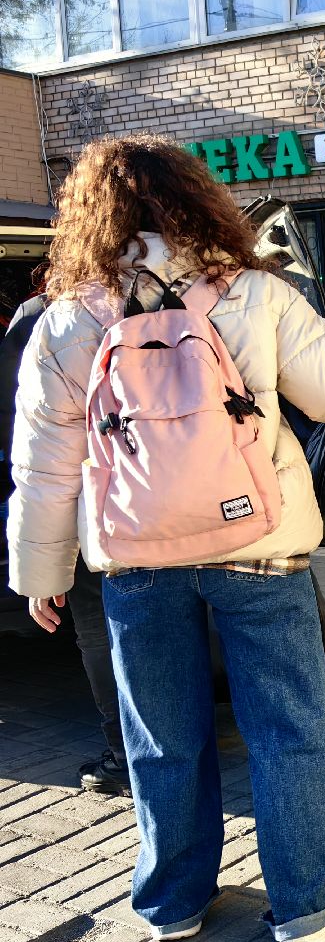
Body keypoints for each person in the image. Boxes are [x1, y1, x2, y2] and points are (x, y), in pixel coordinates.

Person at [7, 135, 325, 942]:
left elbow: (45, 466)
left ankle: (173, 902)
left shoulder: (67, 318)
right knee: (290, 730)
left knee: (161, 735)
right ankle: (302, 907)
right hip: (257, 544)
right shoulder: (252, 294)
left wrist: (41, 574)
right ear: (198, 202)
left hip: (135, 559)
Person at [2, 295, 128, 796]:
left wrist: (40, 573)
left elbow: (37, 452)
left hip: (86, 506)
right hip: (165, 502)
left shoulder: (46, 316)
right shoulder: (179, 289)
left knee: (100, 633)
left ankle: (125, 756)